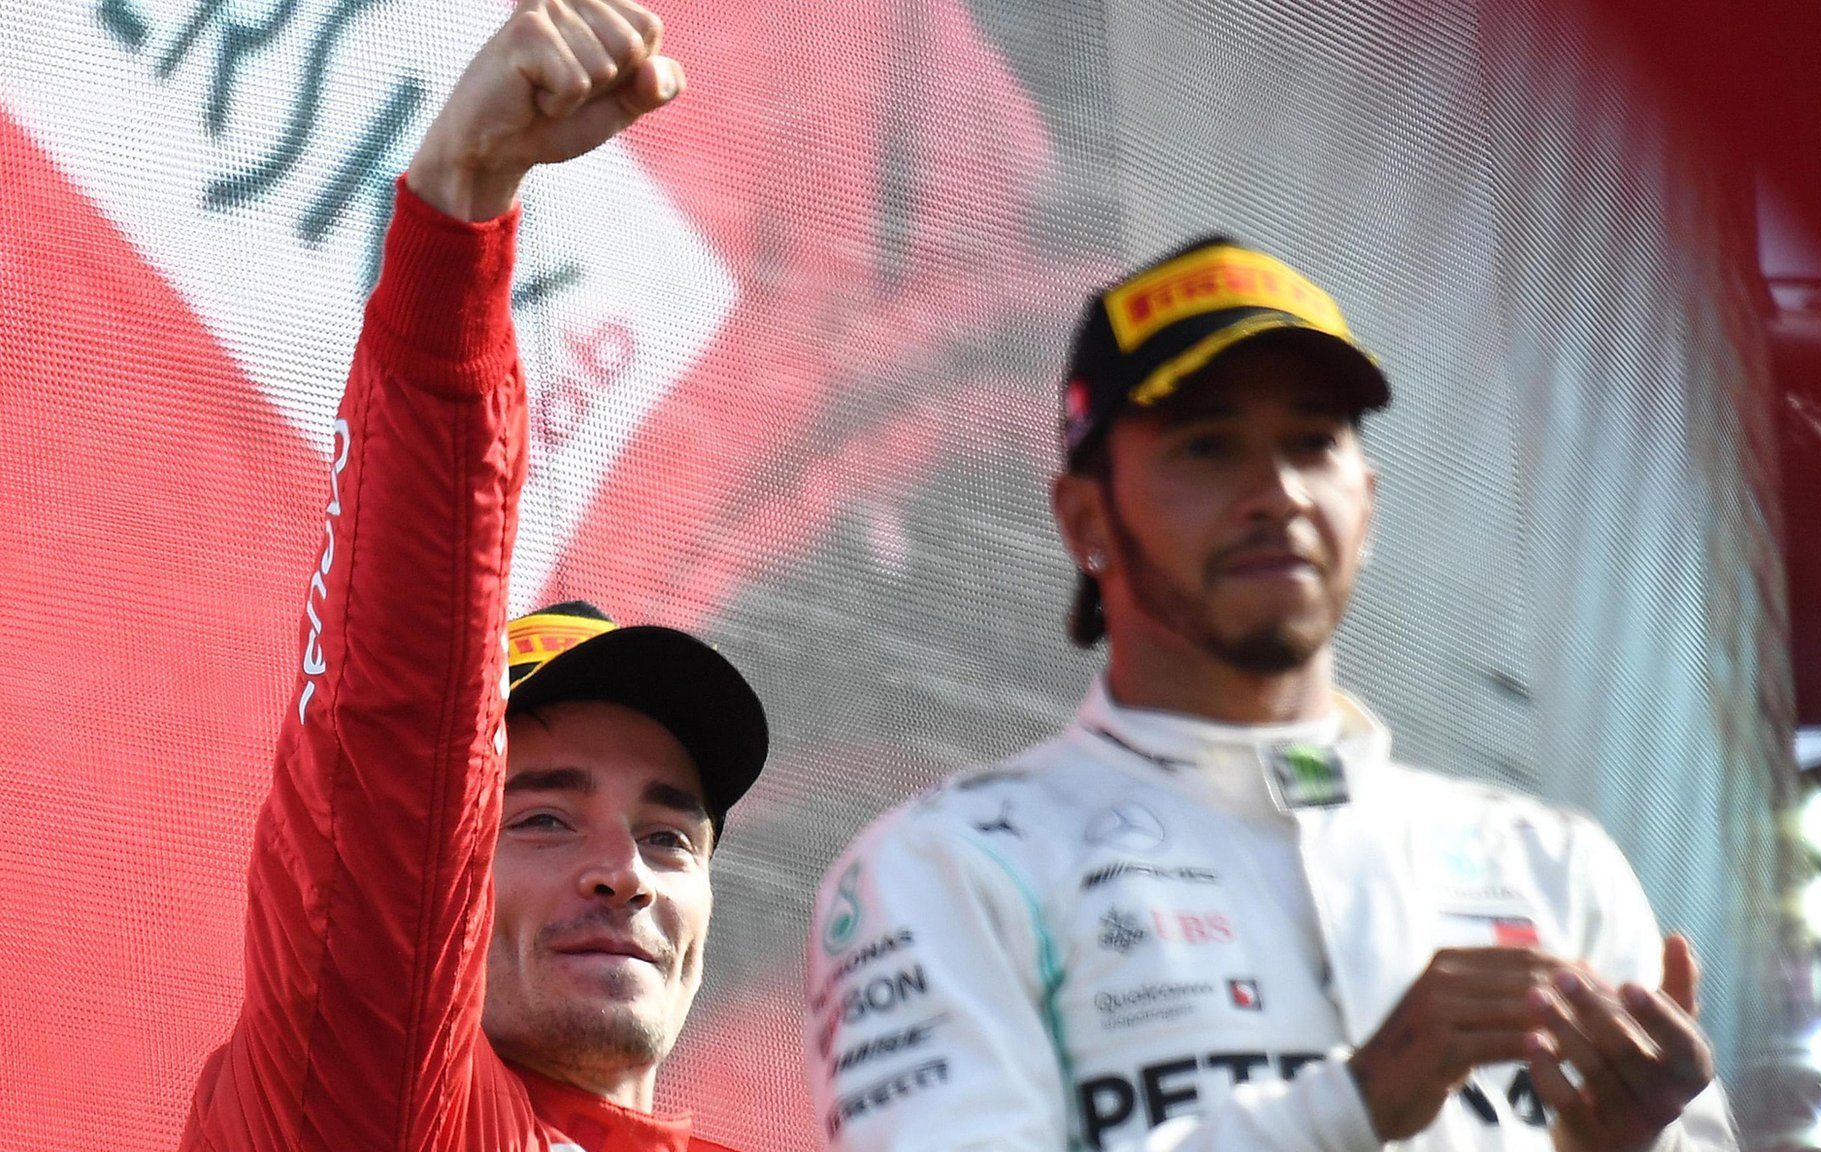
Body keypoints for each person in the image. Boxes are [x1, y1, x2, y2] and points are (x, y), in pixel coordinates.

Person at [804, 238, 1739, 1151]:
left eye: (1311, 442)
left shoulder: (1549, 864)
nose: (1277, 492)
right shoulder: (948, 866)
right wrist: (1355, 1102)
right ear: (1085, 517)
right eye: (1208, 446)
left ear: (1366, 503)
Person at [178, 4, 768, 1149]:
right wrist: (458, 212)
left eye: (668, 837)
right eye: (542, 820)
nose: (623, 878)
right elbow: (394, 753)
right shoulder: (378, 1109)